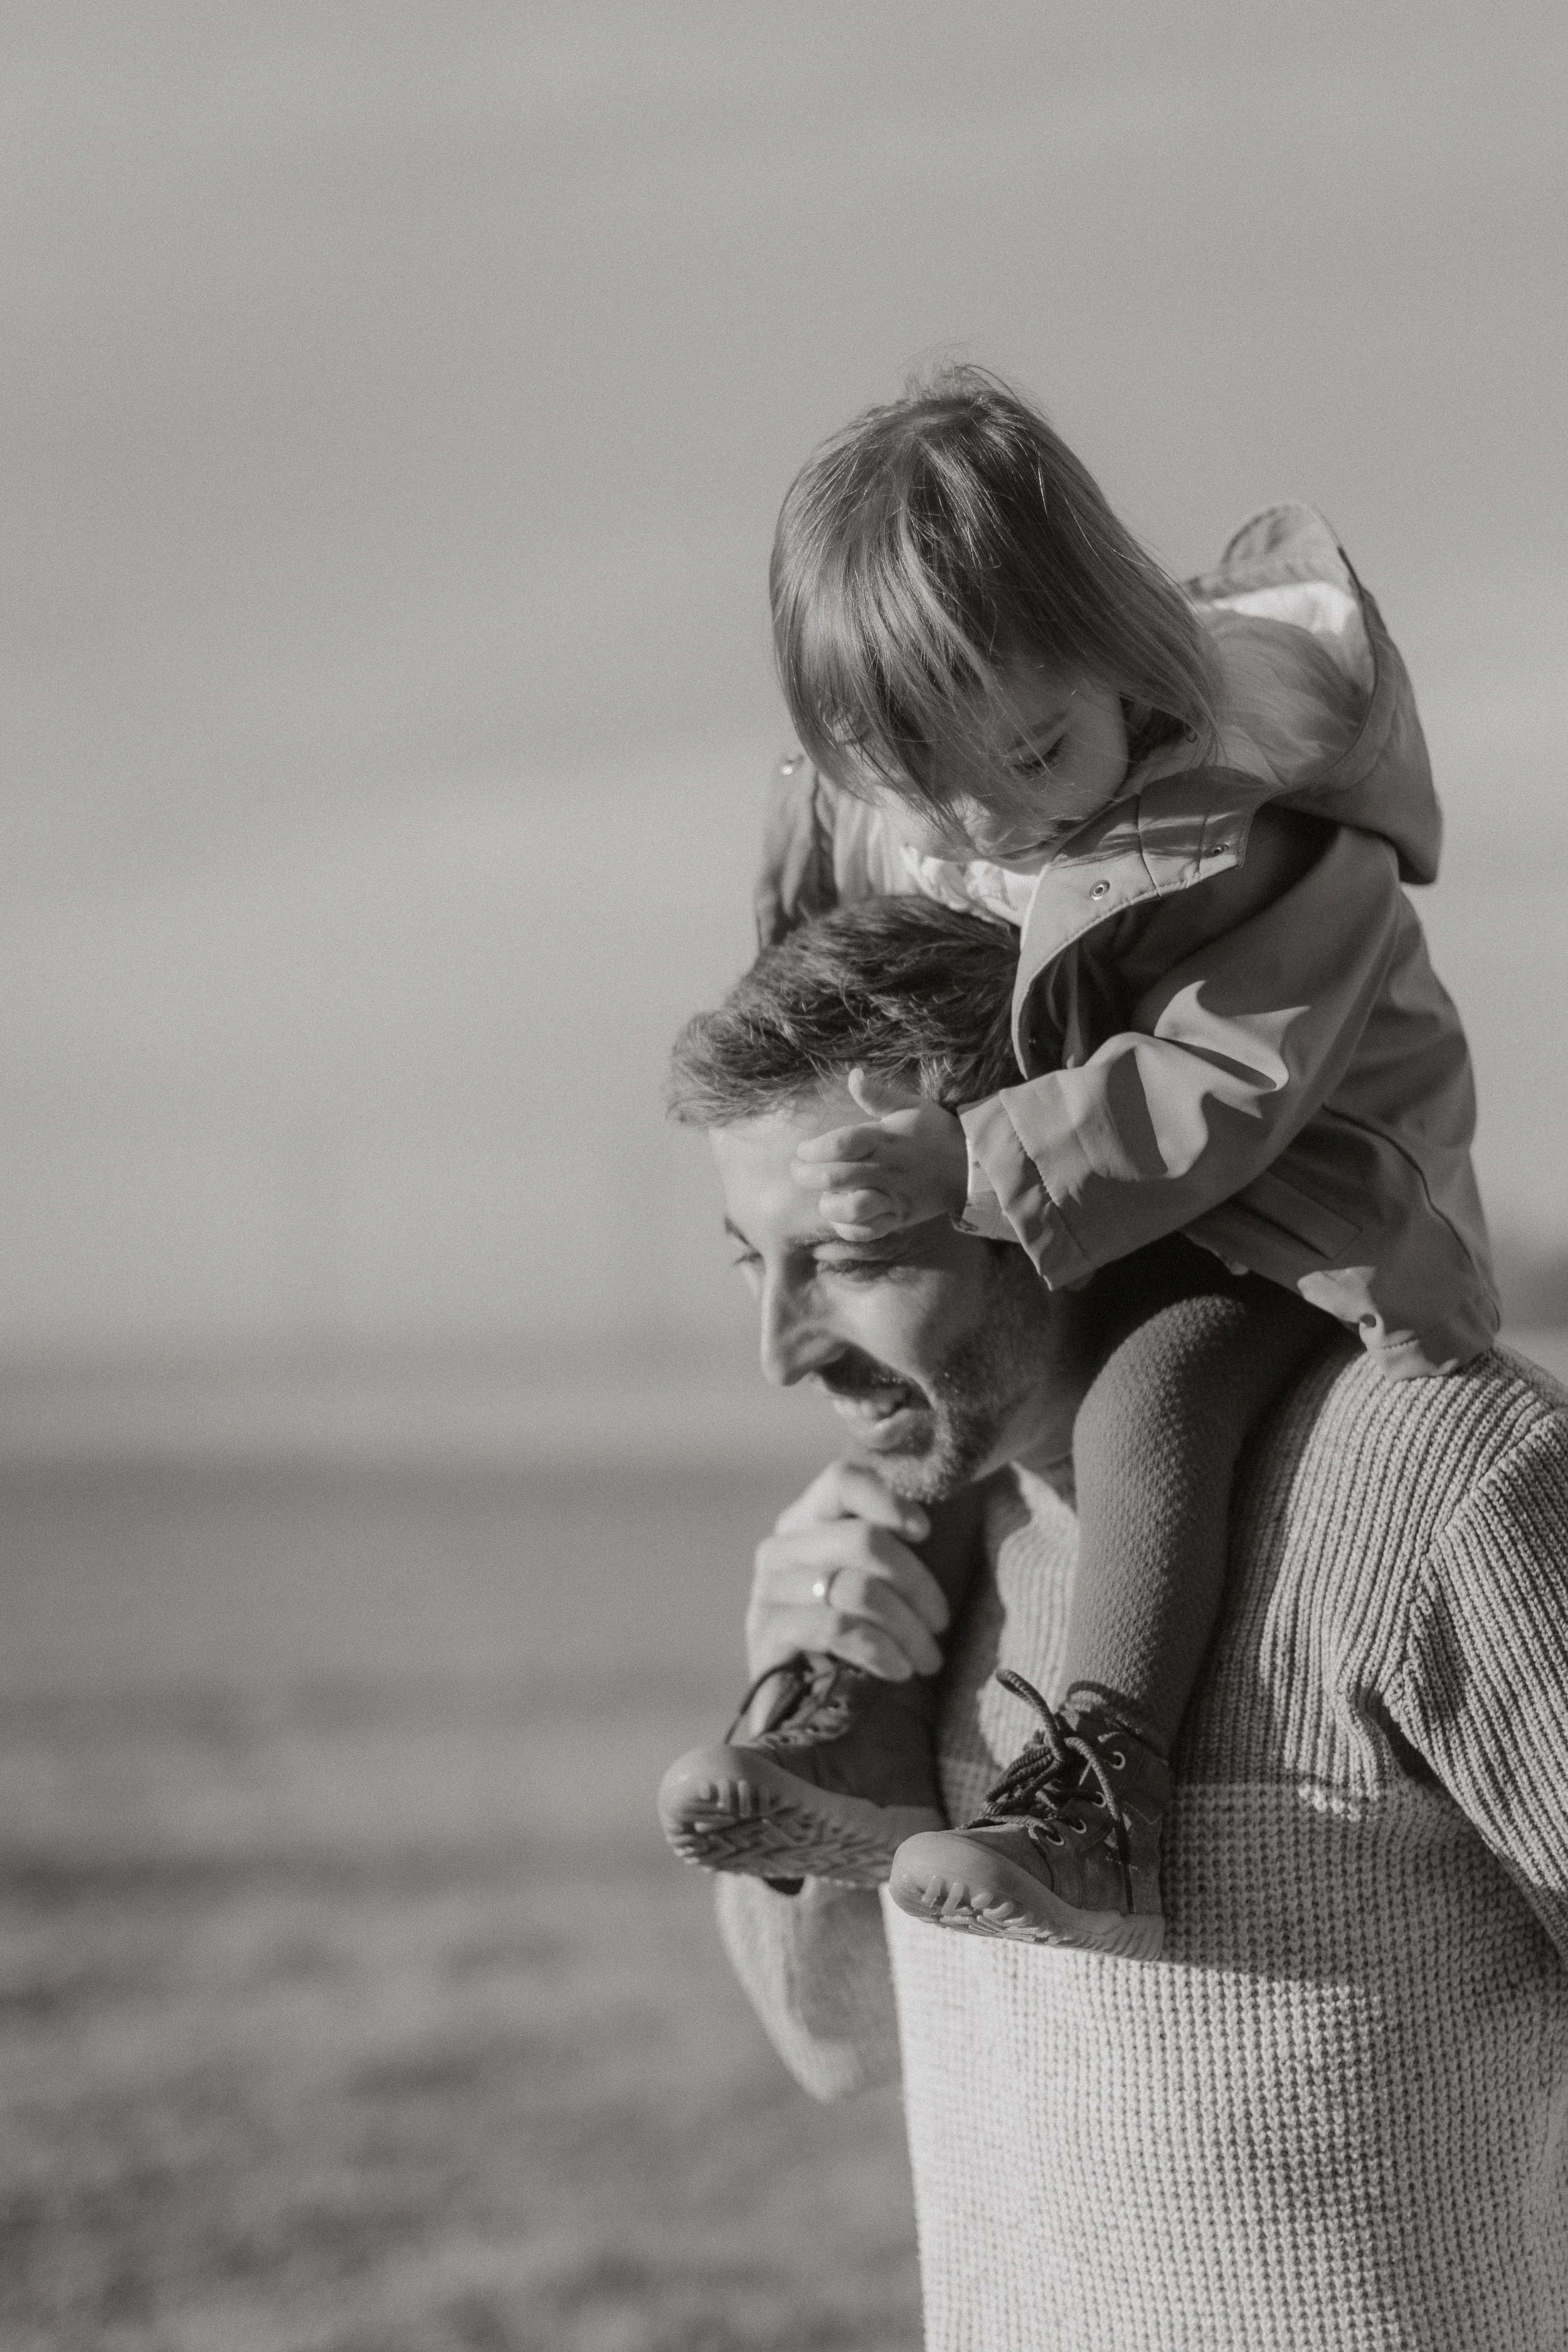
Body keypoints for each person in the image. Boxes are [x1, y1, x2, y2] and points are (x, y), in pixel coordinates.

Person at [660, 366, 1496, 1957]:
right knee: (918, 1409)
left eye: (1035, 754)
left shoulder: (1253, 829)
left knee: (1147, 1395)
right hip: (1058, 1207)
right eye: (926, 788)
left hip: (1296, 1212)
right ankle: (853, 1730)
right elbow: (823, 973)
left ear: (1127, 661)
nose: (994, 822)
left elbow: (1224, 1083)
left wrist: (965, 1161)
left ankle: (1102, 1799)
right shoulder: (933, 818)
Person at [665, 899, 1568, 2350]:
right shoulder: (906, 1551)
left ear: (1054, 1189)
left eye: (846, 1254)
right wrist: (793, 1682)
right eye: (748, 1264)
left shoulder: (1435, 1482)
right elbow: (836, 2045)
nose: (780, 1355)